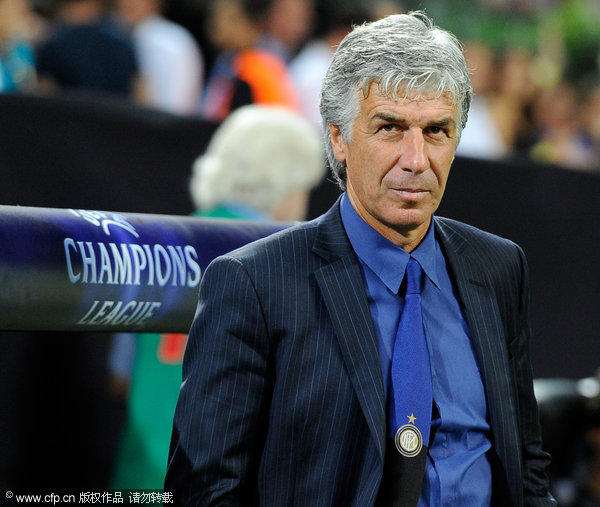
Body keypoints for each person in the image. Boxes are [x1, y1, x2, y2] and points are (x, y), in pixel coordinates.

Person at [166, 12, 555, 505]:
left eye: (436, 131)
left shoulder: (498, 268)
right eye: (390, 127)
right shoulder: (255, 284)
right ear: (338, 138)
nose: (416, 159)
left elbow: (526, 467)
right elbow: (204, 490)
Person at [110, 104, 324, 490]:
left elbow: (119, 378)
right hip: (220, 487)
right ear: (287, 185)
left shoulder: (157, 244)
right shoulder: (283, 262)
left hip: (139, 478)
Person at [198, 0, 299, 122]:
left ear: (253, 24)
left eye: (231, 19)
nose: (218, 25)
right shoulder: (227, 62)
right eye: (215, 17)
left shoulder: (261, 69)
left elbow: (279, 124)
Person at [114, 0, 204, 115]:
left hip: (161, 124)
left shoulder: (169, 41)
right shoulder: (123, 37)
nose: (126, 3)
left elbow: (178, 105)